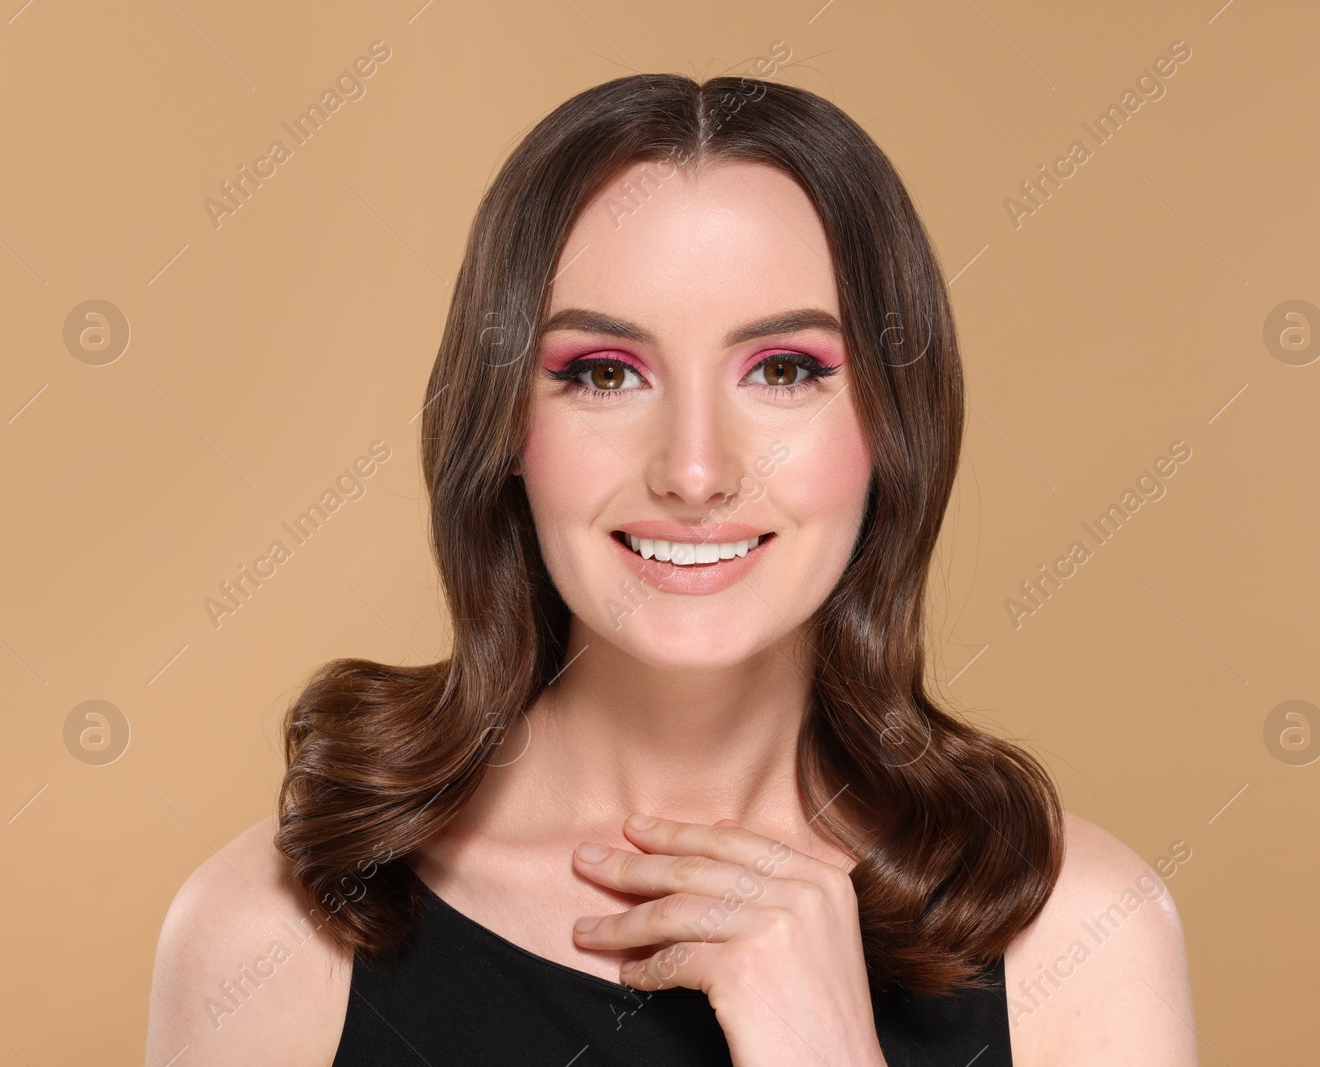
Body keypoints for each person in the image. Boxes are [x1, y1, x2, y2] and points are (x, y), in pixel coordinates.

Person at [145, 72, 1196, 1066]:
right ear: (507, 424)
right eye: (603, 372)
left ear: (891, 424)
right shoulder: (272, 938)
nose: (695, 471)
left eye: (784, 370)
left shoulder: (1083, 935)